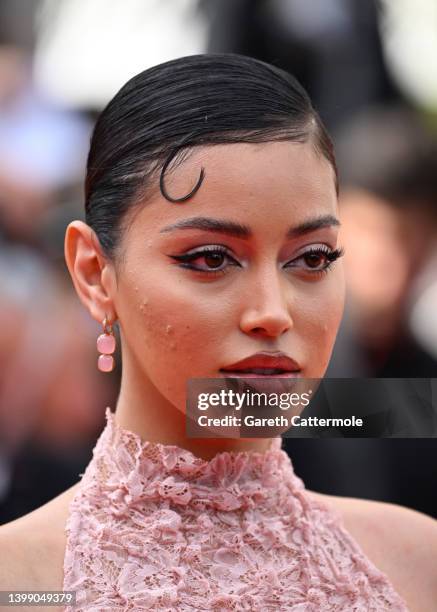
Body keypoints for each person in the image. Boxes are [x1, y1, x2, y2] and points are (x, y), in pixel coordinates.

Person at [0, 53, 435, 611]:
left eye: (312, 257)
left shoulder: (418, 564)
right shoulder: (23, 586)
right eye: (211, 259)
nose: (272, 312)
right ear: (93, 272)